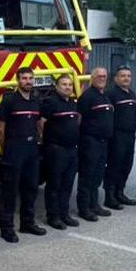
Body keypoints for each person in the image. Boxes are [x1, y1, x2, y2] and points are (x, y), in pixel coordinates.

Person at [0, 67, 46, 243]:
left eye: (31, 78)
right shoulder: (9, 100)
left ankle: (27, 223)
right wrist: (7, 148)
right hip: (14, 149)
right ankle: (7, 228)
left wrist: (40, 140)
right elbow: (1, 127)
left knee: (30, 188)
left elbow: (39, 122)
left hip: (32, 149)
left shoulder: (36, 99)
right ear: (18, 80)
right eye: (24, 78)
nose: (28, 81)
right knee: (10, 191)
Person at [40, 74, 80, 230]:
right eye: (64, 84)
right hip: (56, 150)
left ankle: (64, 214)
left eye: (70, 84)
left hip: (71, 150)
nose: (68, 87)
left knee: (67, 184)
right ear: (57, 86)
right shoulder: (51, 102)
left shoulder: (72, 102)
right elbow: (41, 123)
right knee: (54, 185)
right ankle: (53, 217)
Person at [77, 67, 114, 222]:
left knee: (97, 176)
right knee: (87, 176)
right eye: (98, 76)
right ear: (92, 78)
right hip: (90, 142)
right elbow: (79, 119)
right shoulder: (87, 96)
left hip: (103, 142)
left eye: (104, 76)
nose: (102, 78)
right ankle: (84, 208)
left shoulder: (105, 95)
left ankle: (94, 204)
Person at [104, 65, 136, 209]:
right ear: (116, 78)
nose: (126, 78)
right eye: (123, 76)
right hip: (117, 136)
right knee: (114, 165)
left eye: (128, 76)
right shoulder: (111, 94)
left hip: (130, 136)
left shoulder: (131, 93)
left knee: (126, 165)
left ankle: (120, 192)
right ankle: (109, 197)